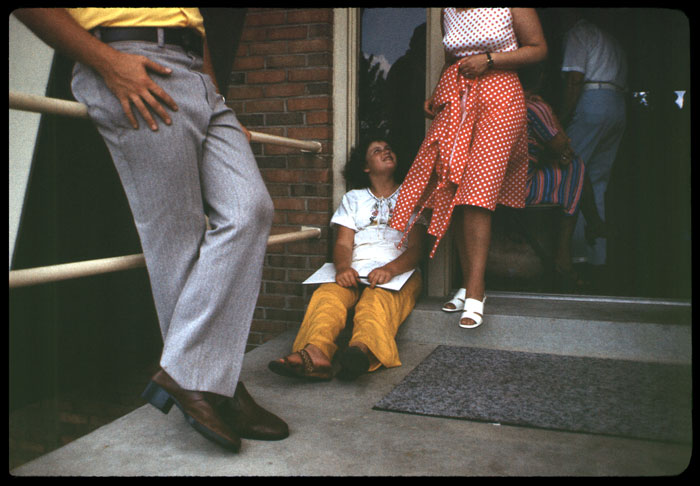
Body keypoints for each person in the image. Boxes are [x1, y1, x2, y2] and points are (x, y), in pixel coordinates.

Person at [14, 8, 287, 452]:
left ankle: (186, 374)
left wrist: (211, 90)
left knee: (250, 210)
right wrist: (108, 63)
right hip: (130, 60)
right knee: (177, 240)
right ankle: (220, 388)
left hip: (197, 74)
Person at [390, 8, 547, 328]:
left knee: (478, 190)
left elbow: (538, 49)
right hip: (458, 95)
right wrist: (437, 93)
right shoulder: (447, 9)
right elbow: (452, 59)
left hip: (500, 95)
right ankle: (468, 283)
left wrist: (490, 60)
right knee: (455, 188)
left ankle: (477, 288)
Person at [269, 139, 427, 381]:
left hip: (398, 273)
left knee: (376, 300)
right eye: (377, 151)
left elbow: (417, 248)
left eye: (388, 148)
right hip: (356, 268)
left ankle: (360, 352)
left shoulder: (412, 195)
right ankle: (316, 353)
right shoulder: (353, 199)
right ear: (365, 167)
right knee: (327, 296)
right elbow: (343, 243)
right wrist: (343, 268)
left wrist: (390, 269)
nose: (386, 151)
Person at [559, 9, 627, 270]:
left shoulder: (579, 32)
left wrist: (562, 119)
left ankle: (575, 256)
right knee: (597, 181)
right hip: (617, 104)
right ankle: (598, 257)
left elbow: (574, 80)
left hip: (593, 100)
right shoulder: (609, 38)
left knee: (572, 175)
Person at [518, 64, 588, 291]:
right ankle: (563, 254)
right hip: (518, 190)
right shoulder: (534, 106)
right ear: (541, 77)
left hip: (488, 188)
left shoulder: (501, 101)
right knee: (575, 166)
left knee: (563, 165)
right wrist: (547, 107)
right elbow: (562, 146)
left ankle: (595, 224)